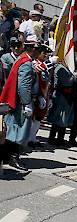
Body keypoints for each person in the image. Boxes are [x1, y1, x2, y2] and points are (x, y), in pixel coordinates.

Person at [0, 37, 37, 171]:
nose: (39, 52)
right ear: (32, 49)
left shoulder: (22, 58)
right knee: (18, 131)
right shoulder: (26, 62)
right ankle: (13, 157)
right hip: (21, 102)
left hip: (16, 100)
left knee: (12, 129)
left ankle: (6, 156)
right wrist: (27, 103)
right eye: (38, 49)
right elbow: (23, 85)